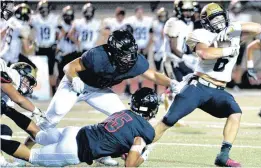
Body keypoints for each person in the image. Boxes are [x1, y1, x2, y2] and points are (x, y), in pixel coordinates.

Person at [25, 29, 177, 166]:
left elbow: (153, 75)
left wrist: (172, 83)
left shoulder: (135, 61)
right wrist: (74, 79)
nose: (130, 58)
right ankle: (24, 151)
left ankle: (103, 153)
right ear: (113, 52)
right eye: (125, 54)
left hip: (98, 89)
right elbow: (69, 67)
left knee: (124, 118)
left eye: (131, 52)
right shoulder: (98, 56)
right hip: (76, 85)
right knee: (51, 118)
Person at [152, 3, 261, 167]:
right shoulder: (198, 34)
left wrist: (232, 28)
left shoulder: (232, 32)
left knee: (235, 113)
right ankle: (135, 147)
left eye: (219, 17)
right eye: (213, 18)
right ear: (205, 21)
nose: (218, 21)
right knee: (167, 121)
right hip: (199, 86)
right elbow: (205, 53)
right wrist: (227, 50)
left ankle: (223, 156)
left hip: (218, 90)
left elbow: (257, 28)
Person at [2, 87, 159, 167]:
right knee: (32, 156)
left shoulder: (123, 113)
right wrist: (143, 156)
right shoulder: (145, 132)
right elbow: (130, 165)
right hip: (76, 149)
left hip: (75, 132)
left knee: (38, 134)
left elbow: (115, 138)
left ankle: (7, 109)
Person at [0, 60, 44, 166]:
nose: (28, 86)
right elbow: (18, 99)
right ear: (21, 73)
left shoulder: (6, 95)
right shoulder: (11, 75)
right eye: (28, 81)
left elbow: (12, 113)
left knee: (4, 130)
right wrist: (36, 111)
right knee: (4, 132)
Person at [162, 0, 198, 111]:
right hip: (171, 60)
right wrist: (187, 58)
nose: (188, 13)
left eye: (190, 10)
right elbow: (173, 47)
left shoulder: (190, 24)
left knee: (188, 87)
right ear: (179, 10)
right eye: (185, 10)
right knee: (176, 88)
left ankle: (168, 101)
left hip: (182, 60)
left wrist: (193, 56)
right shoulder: (173, 22)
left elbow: (187, 44)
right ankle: (168, 111)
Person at [31, 0, 59, 95]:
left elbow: (59, 32)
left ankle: (53, 91)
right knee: (39, 71)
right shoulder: (35, 19)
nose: (44, 11)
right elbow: (28, 29)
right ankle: (39, 93)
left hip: (50, 47)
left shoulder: (54, 19)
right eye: (42, 8)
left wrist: (56, 42)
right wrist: (33, 41)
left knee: (51, 71)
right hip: (40, 47)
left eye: (45, 8)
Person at [125, 6, 154, 93]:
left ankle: (140, 86)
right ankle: (128, 88)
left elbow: (151, 35)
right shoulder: (131, 21)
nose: (140, 14)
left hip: (144, 48)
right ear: (135, 12)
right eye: (138, 12)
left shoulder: (148, 21)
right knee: (130, 68)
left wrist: (147, 47)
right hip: (134, 48)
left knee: (142, 69)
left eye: (141, 12)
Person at [0, 3, 36, 69]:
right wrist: (34, 45)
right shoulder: (23, 27)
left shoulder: (11, 21)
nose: (29, 16)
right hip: (12, 60)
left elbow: (1, 34)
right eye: (28, 14)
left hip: (3, 55)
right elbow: (27, 49)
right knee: (33, 68)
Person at [55, 5, 77, 83]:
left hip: (72, 53)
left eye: (70, 15)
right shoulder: (60, 25)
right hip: (62, 53)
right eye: (67, 16)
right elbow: (57, 38)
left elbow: (76, 40)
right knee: (61, 75)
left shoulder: (75, 25)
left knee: (73, 75)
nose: (68, 18)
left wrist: (69, 33)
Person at [152, 7, 168, 93]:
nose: (163, 18)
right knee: (157, 72)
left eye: (164, 16)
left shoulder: (168, 24)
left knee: (166, 71)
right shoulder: (155, 24)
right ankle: (155, 91)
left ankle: (166, 91)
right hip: (157, 49)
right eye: (161, 16)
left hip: (165, 50)